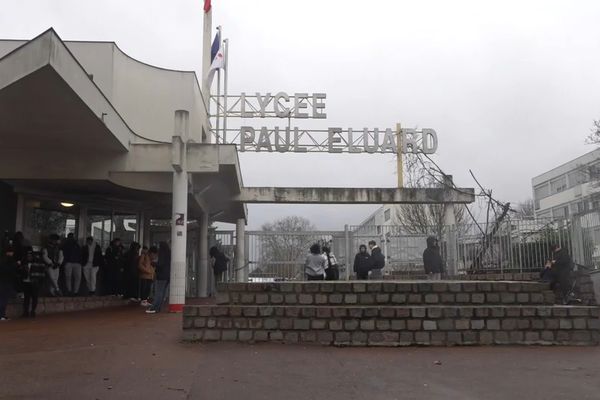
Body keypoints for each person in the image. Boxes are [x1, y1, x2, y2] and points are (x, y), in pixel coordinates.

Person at [18, 250, 46, 318]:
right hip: (26, 282)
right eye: (28, 256)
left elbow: (42, 273)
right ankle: (26, 312)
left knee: (34, 297)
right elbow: (20, 272)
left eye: (30, 256)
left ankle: (33, 311)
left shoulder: (38, 263)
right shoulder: (24, 262)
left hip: (34, 283)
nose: (29, 257)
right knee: (26, 298)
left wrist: (40, 283)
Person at [146, 241, 170, 314]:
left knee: (158, 293)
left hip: (161, 275)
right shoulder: (169, 253)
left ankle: (154, 308)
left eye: (159, 246)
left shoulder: (162, 253)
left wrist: (153, 264)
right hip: (167, 276)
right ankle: (158, 308)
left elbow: (160, 264)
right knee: (162, 293)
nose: (158, 248)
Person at [0, 239, 17, 321]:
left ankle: (2, 314)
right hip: (5, 281)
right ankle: (1, 315)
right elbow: (7, 270)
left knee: (4, 299)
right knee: (3, 299)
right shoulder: (6, 261)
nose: (12, 254)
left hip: (6, 281)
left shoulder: (4, 260)